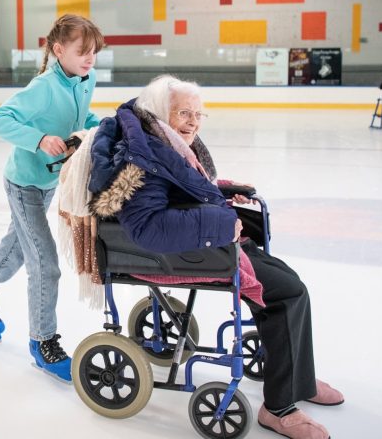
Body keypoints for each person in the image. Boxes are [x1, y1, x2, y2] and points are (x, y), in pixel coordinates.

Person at [86, 75, 344, 439]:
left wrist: (220, 196)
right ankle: (279, 407)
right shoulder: (142, 158)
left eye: (198, 114)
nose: (193, 122)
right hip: (185, 253)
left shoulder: (165, 143)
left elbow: (182, 191)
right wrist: (222, 223)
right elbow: (148, 227)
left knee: (289, 284)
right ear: (161, 113)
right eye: (183, 113)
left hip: (206, 242)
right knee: (287, 294)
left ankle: (297, 380)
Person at [0, 14, 104, 382]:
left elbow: (81, 117)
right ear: (58, 50)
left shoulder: (87, 79)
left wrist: (95, 127)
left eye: (94, 53)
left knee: (19, 247)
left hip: (50, 181)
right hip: (23, 184)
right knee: (45, 262)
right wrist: (38, 140)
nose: (90, 59)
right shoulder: (42, 86)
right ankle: (43, 341)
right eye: (82, 51)